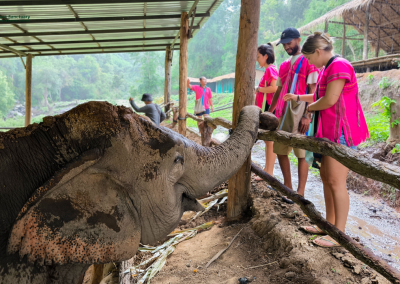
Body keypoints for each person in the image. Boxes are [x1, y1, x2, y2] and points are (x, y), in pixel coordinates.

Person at [283, 32, 369, 247]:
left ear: (318, 52)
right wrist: (300, 98)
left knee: (335, 181)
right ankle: (329, 225)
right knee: (325, 177)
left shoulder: (339, 66)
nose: (310, 62)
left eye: (310, 58)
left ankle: (338, 234)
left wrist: (307, 109)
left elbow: (329, 100)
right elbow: (323, 94)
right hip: (328, 131)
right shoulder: (328, 68)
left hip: (341, 131)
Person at [268, 27, 319, 197]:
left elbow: (313, 91)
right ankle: (288, 186)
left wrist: (308, 116)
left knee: (301, 153)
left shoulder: (308, 61)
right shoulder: (283, 65)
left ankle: (301, 191)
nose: (286, 47)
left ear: (298, 39)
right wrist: (270, 111)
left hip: (301, 112)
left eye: (289, 43)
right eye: (283, 45)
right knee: (280, 149)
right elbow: (279, 90)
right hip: (284, 113)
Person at [254, 43, 279, 179]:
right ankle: (267, 170)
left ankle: (269, 172)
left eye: (258, 56)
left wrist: (259, 89)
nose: (257, 59)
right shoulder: (268, 70)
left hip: (269, 109)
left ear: (265, 56)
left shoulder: (271, 70)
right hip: (266, 108)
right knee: (268, 142)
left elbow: (274, 88)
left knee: (270, 142)